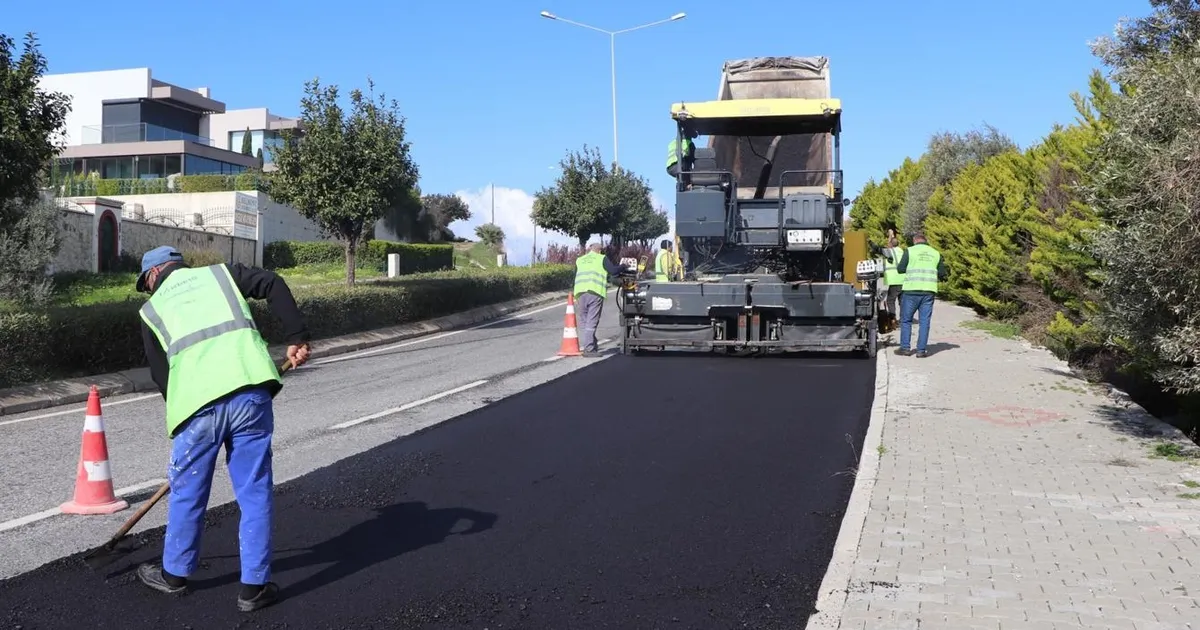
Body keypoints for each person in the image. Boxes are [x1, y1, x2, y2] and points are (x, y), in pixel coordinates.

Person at [132, 245, 311, 612]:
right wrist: (297, 336)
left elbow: (161, 376)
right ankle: (253, 589)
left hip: (196, 410)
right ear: (179, 265)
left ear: (153, 275)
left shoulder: (150, 309)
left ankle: (174, 577)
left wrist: (187, 418)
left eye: (147, 284)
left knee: (187, 492)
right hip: (250, 393)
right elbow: (273, 283)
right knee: (254, 489)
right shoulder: (220, 274)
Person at [895, 233, 948, 358]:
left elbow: (900, 269)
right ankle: (921, 351)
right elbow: (942, 273)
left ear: (915, 240)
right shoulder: (935, 253)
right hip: (928, 291)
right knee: (925, 321)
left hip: (911, 291)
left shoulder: (910, 251)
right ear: (926, 240)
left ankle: (905, 348)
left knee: (906, 320)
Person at [573, 242, 622, 357]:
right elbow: (613, 271)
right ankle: (589, 349)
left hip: (580, 292)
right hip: (594, 292)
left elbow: (575, 275)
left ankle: (592, 344)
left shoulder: (580, 259)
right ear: (600, 251)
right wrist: (623, 266)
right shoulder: (601, 258)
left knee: (585, 321)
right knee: (592, 321)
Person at [881, 235, 905, 316]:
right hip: (904, 279)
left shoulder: (889, 252)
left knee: (890, 300)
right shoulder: (902, 251)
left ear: (891, 244)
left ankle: (892, 318)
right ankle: (904, 319)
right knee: (902, 301)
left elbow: (881, 249)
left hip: (895, 280)